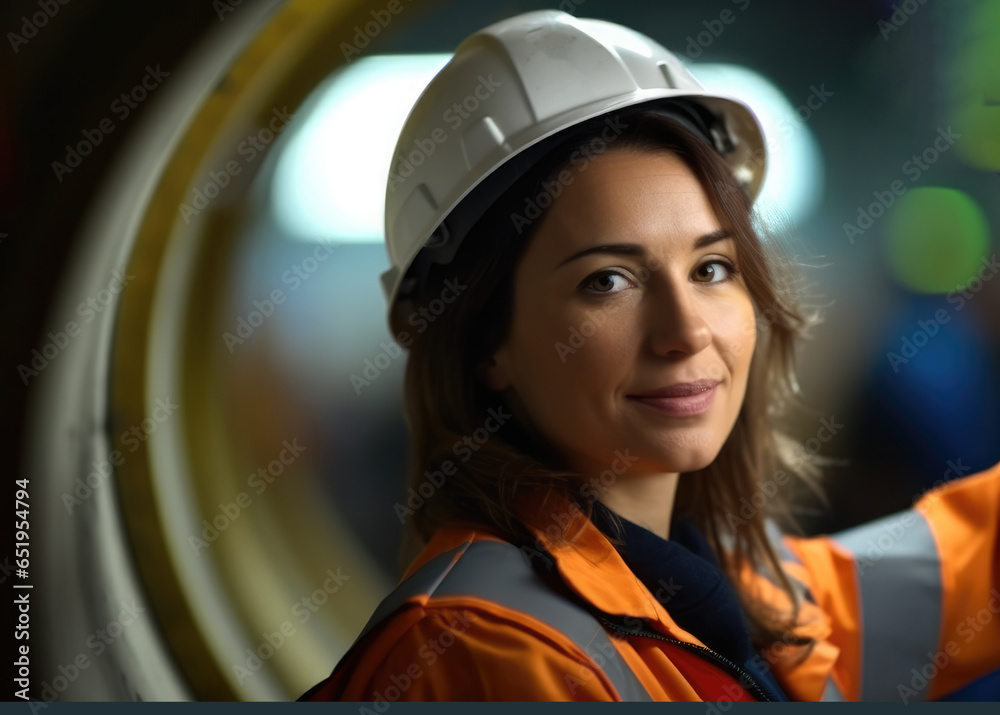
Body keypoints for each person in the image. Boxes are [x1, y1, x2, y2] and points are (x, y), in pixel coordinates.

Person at [299, 10, 1000, 702]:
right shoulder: (481, 650)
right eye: (607, 280)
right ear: (486, 344)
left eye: (712, 268)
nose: (685, 331)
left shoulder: (723, 591)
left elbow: (964, 565)